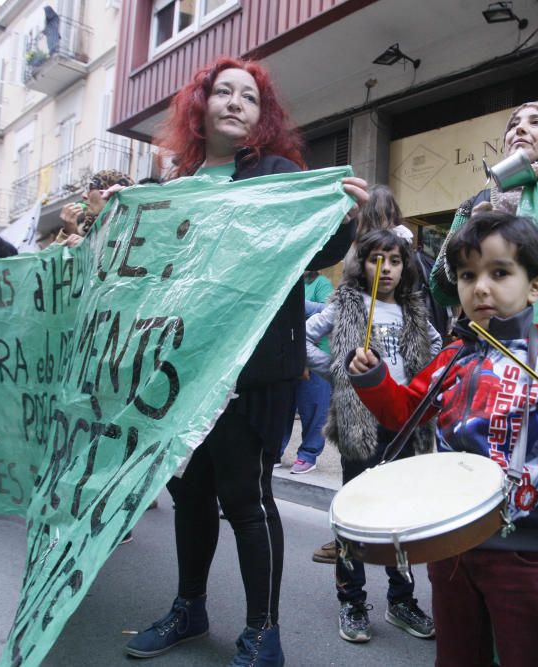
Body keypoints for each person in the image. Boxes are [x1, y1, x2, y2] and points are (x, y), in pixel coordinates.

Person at [123, 56, 367, 666]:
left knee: (246, 497)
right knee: (189, 493)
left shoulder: (278, 174)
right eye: (223, 92)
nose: (236, 102)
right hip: (181, 373)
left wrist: (343, 214)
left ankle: (264, 632)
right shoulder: (173, 190)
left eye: (249, 97)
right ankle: (190, 608)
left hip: (254, 374)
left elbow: (322, 245)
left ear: (262, 117)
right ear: (200, 106)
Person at [348, 211, 538, 666]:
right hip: (449, 545)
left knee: (527, 655)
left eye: (499, 273)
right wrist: (373, 378)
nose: (481, 288)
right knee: (457, 656)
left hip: (527, 551)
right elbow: (404, 413)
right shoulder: (452, 357)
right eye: (468, 275)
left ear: (535, 286)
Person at [306, 228, 441, 644]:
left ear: (405, 267)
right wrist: (338, 370)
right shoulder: (346, 306)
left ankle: (401, 600)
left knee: (400, 517)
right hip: (359, 423)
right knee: (355, 515)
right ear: (361, 264)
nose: (385, 268)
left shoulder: (414, 311)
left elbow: (440, 353)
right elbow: (305, 338)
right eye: (376, 259)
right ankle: (352, 601)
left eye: (395, 261)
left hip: (404, 424)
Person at [429, 101, 538, 306]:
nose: (520, 129)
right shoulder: (476, 204)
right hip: (492, 334)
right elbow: (439, 290)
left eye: (536, 122)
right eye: (513, 125)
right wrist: (470, 241)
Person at [277, 270, 334, 474]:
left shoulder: (321, 283)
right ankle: (275, 450)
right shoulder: (290, 279)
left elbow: (330, 310)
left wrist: (302, 308)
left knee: (313, 406)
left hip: (316, 354)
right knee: (284, 406)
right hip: (291, 355)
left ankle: (308, 454)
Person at [56, 169, 135, 247]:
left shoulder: (133, 230)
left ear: (111, 193)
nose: (84, 195)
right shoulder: (87, 232)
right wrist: (70, 231)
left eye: (90, 188)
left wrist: (87, 249)